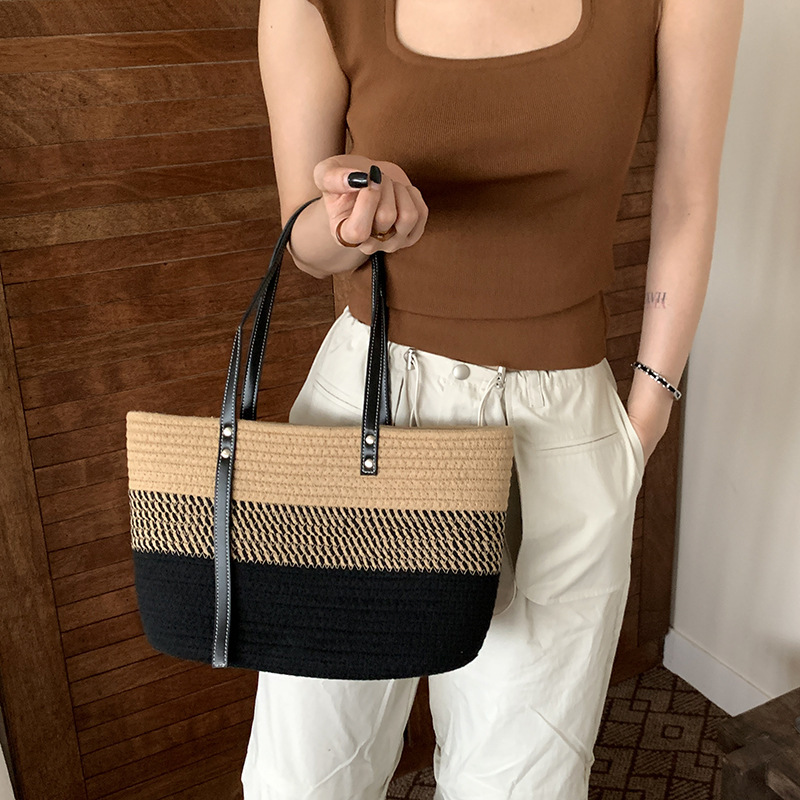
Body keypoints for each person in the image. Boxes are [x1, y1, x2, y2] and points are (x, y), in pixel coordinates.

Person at [241, 0, 743, 797]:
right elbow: (302, 238)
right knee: (305, 779)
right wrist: (351, 220)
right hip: (366, 412)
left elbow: (686, 198)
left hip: (559, 432)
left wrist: (643, 422)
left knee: (521, 785)